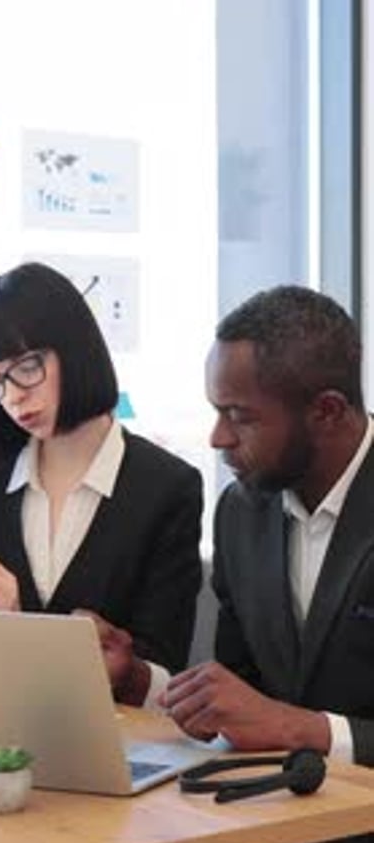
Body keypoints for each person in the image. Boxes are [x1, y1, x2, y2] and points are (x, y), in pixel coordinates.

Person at [0, 261, 203, 707]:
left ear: (76, 350)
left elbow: (162, 674)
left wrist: (19, 620)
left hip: (112, 746)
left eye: (27, 367)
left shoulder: (166, 487)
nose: (13, 396)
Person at [160, 284, 374, 767]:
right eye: (217, 412)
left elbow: (279, 720)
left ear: (326, 411)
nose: (218, 438)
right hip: (273, 812)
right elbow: (244, 693)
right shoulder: (241, 512)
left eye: (239, 417)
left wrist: (308, 730)